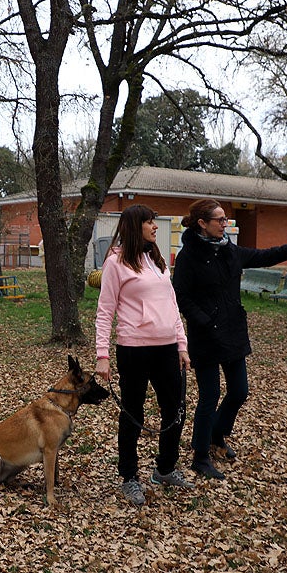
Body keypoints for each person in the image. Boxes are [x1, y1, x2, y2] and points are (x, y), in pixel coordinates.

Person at [172, 198, 287, 480]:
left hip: (232, 332)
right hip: (205, 336)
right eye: (219, 220)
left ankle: (216, 434)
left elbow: (262, 256)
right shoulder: (188, 256)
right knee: (209, 396)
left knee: (239, 391)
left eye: (225, 219)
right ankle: (200, 456)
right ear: (202, 224)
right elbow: (180, 295)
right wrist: (203, 320)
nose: (224, 224)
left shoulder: (229, 250)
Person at [95, 204, 192, 507]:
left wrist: (182, 344)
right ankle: (129, 476)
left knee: (175, 410)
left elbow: (172, 307)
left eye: (154, 221)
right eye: (149, 222)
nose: (154, 227)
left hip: (166, 350)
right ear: (134, 227)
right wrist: (102, 354)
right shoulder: (116, 263)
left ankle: (164, 468)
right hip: (134, 350)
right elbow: (104, 311)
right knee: (133, 415)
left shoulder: (157, 261)